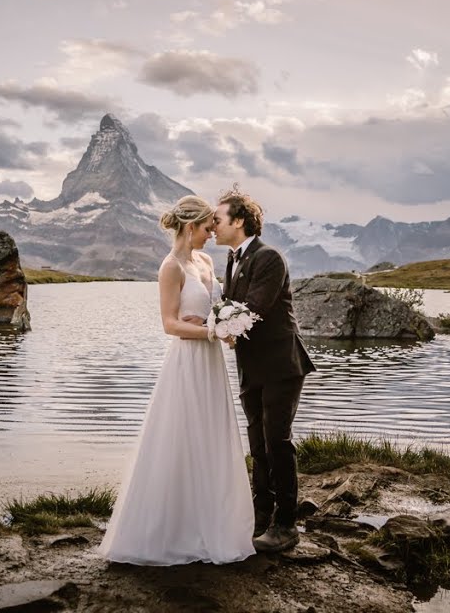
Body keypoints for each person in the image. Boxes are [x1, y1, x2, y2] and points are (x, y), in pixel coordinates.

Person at [98, 195, 255, 566]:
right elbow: (170, 324)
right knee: (180, 438)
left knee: (210, 438)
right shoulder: (171, 267)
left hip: (211, 363)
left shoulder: (204, 260)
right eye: (206, 227)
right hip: (187, 363)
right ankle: (172, 531)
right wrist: (213, 333)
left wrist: (223, 324)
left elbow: (212, 309)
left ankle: (211, 525)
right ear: (190, 228)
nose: (211, 232)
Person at [211, 186, 315, 553]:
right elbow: (230, 306)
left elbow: (252, 310)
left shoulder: (269, 257)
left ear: (238, 221)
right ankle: (259, 515)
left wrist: (214, 328)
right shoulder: (231, 258)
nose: (213, 225)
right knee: (258, 443)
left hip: (281, 365)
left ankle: (286, 524)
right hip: (251, 366)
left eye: (218, 219)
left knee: (277, 440)